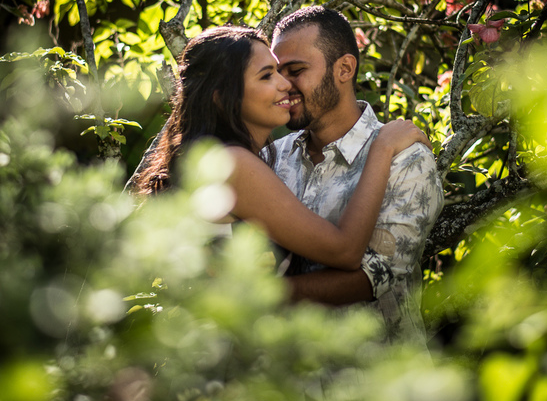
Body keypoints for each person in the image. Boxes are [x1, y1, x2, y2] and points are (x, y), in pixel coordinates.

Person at [131, 25, 428, 272]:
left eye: (284, 71)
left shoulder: (225, 159)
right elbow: (345, 251)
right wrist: (383, 148)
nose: (285, 84)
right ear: (221, 98)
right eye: (267, 75)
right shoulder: (232, 164)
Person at [268, 7, 443, 340]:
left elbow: (373, 277)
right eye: (277, 73)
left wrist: (256, 299)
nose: (282, 85)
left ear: (344, 68)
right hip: (285, 385)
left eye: (296, 70)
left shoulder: (405, 158)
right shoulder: (272, 156)